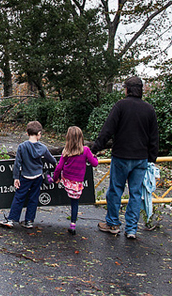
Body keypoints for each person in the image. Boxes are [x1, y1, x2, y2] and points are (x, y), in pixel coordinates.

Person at [91, 76, 159, 239]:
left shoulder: (120, 106)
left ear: (127, 89)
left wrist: (95, 148)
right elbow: (154, 136)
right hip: (141, 158)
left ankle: (113, 224)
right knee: (136, 193)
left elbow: (108, 129)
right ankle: (131, 229)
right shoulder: (149, 109)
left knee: (115, 191)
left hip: (121, 155)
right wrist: (152, 157)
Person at [0, 121, 56, 229]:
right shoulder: (43, 148)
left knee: (19, 197)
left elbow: (17, 163)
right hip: (38, 176)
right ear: (39, 133)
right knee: (33, 198)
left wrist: (16, 177)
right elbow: (52, 160)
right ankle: (29, 221)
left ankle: (11, 219)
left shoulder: (22, 146)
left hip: (25, 176)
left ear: (27, 133)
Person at [52, 126, 99, 235]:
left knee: (57, 179)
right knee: (75, 203)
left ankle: (49, 180)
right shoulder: (86, 150)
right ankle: (73, 224)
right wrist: (95, 157)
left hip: (66, 180)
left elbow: (59, 167)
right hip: (77, 183)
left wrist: (56, 178)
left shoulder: (66, 151)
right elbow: (94, 164)